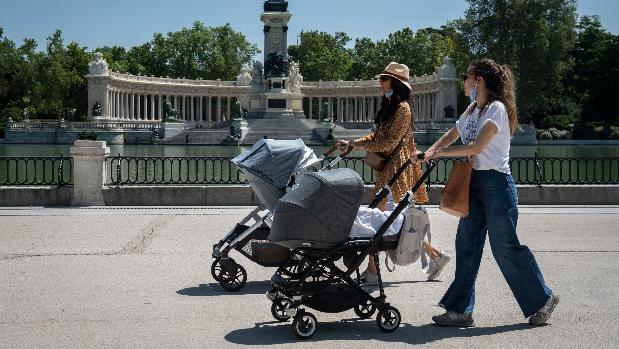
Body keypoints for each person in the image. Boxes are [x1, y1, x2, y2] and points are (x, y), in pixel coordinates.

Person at [419, 58, 558, 327]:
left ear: (479, 80)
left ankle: (543, 299)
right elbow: (452, 134)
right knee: (466, 246)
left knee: (504, 246)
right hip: (473, 183)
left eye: (466, 77)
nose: (463, 82)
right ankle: (460, 310)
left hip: (496, 184)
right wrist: (429, 151)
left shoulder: (496, 109)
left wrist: (439, 154)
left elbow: (477, 147)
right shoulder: (472, 110)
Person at [337, 62, 451, 284]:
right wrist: (353, 143)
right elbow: (376, 137)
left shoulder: (402, 109)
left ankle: (372, 272)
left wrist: (358, 145)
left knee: (381, 222)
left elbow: (389, 141)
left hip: (397, 170)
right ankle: (436, 256)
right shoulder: (391, 105)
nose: (379, 82)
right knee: (389, 222)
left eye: (383, 79)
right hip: (389, 169)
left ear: (395, 83)